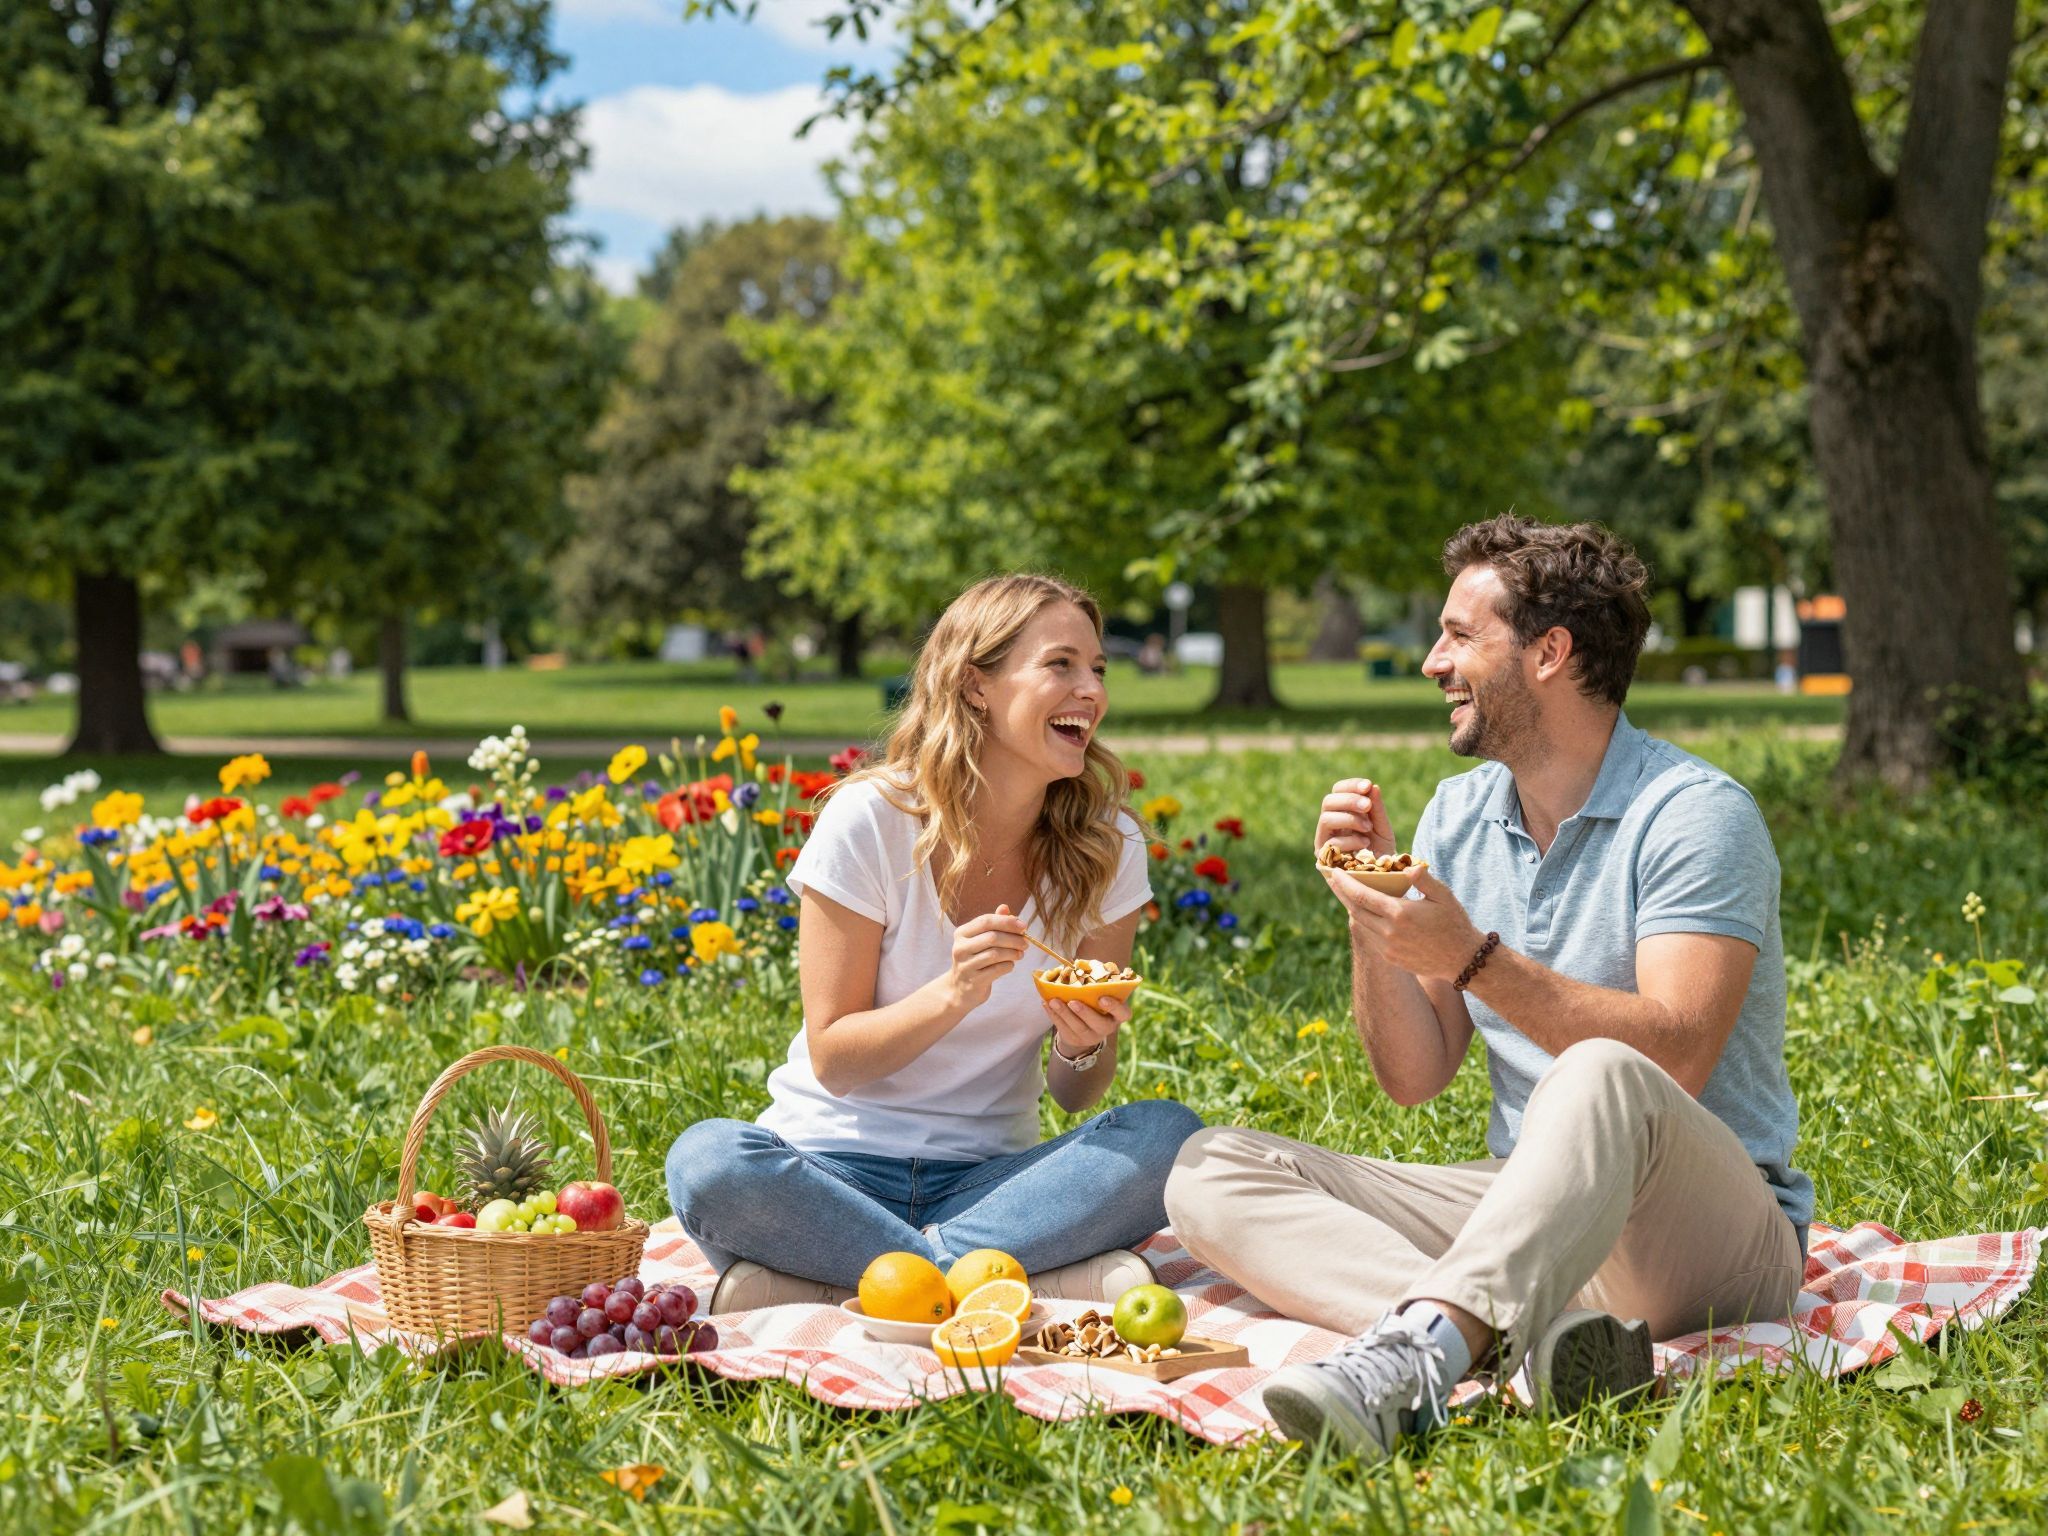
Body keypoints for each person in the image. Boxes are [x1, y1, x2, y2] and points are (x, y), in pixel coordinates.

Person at [1166, 514, 1810, 1459]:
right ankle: (1535, 1340)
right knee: (1209, 1172)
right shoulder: (1459, 814)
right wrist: (1369, 912)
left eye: (1460, 636)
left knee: (1597, 1072)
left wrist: (1473, 957)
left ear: (1549, 653)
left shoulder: (1695, 816)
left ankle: (1421, 1360)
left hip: (1708, 1232)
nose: (1432, 661)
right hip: (1534, 1206)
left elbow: (1676, 1054)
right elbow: (1415, 1075)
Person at [669, 574, 1202, 1312]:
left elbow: (1075, 1094)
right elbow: (835, 1060)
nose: (1092, 690)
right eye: (1061, 665)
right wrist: (953, 994)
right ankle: (1004, 1269)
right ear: (976, 685)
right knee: (707, 1162)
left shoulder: (1108, 847)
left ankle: (856, 1275)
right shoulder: (872, 821)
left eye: (1098, 669)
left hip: (995, 1178)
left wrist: (1084, 1045)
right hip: (829, 1171)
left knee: (1169, 1137)